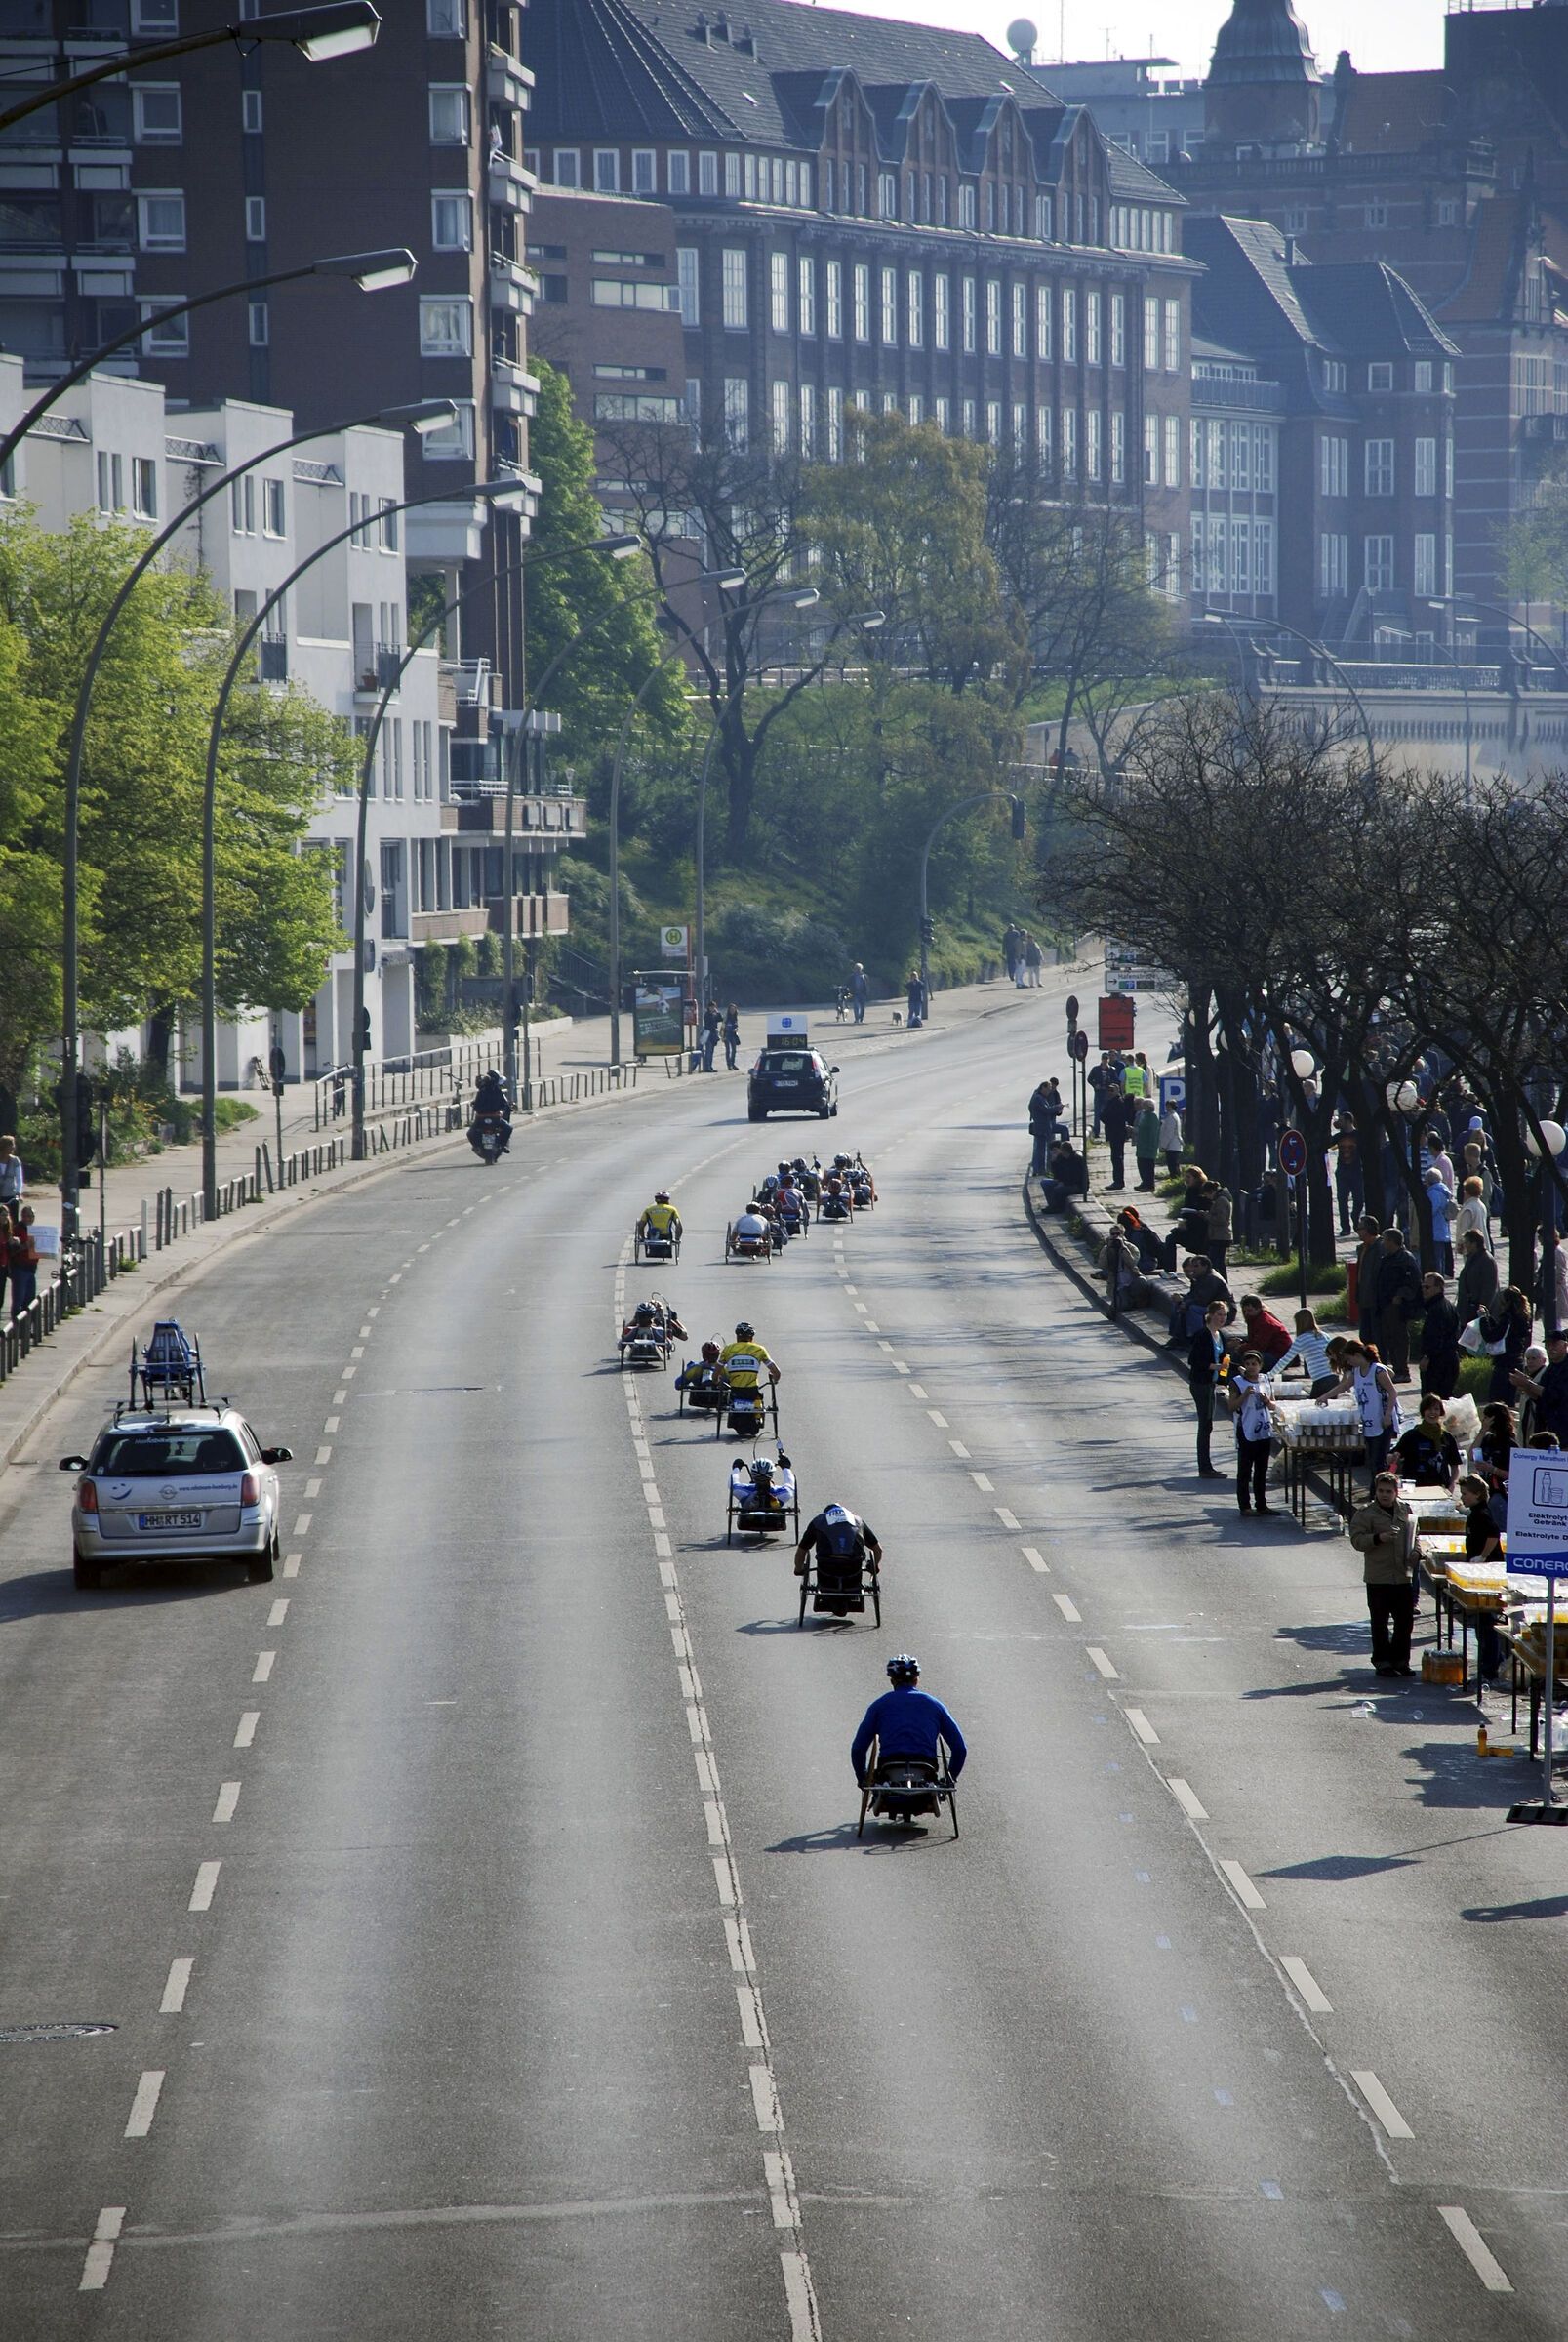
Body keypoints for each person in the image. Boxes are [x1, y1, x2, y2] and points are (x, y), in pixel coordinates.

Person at [851, 1654, 966, 1819]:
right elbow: (960, 1749)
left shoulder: (879, 1705)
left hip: (889, 1766)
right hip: (926, 1767)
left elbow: (858, 1749)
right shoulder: (934, 1704)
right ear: (916, 1681)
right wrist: (950, 1778)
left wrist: (862, 1778)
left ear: (892, 1681)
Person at [1348, 1474, 1417, 1678]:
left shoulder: (1405, 1510)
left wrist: (1417, 1552)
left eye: (1389, 1491)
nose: (1385, 1495)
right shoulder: (1366, 1513)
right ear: (1375, 1491)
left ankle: (1401, 1661)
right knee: (1380, 1622)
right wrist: (1378, 1538)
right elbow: (1357, 1540)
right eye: (1381, 1491)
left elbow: (1415, 1534)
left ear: (1396, 1492)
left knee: (1405, 1621)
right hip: (1378, 1576)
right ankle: (1382, 1661)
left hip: (1402, 1575)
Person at [1458, 1472, 1507, 1678]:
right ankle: (1492, 1662)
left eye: (1466, 1494)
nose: (1462, 1497)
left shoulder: (1482, 1514)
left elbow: (1493, 1534)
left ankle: (1489, 1667)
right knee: (1482, 1622)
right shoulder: (1474, 1512)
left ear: (1478, 1495)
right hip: (1479, 1569)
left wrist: (1483, 1556)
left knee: (1486, 1622)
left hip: (1488, 1572)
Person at [795, 1501, 882, 1615]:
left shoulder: (819, 1521)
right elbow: (878, 1550)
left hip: (826, 1569)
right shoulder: (858, 1520)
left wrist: (798, 1569)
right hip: (853, 1569)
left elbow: (802, 1550)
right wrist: (874, 1566)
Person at [1346, 1339, 1401, 1486]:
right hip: (1368, 1422)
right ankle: (1375, 1493)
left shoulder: (1377, 1370)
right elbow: (1344, 1385)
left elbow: (1392, 1392)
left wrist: (1388, 1414)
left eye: (1349, 1358)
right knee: (1373, 1462)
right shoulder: (1356, 1372)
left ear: (1357, 1355)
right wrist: (1325, 1397)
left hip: (1382, 1421)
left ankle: (1380, 1493)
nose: (1348, 1362)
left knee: (1379, 1462)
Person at [1228, 1349, 1277, 1515]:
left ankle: (1261, 1504)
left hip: (1263, 1429)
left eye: (1254, 1364)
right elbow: (1232, 1406)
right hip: (1246, 1429)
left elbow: (1273, 1405)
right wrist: (1244, 1396)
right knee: (1245, 1469)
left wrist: (1267, 1401)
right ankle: (1245, 1506)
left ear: (1260, 1365)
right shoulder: (1237, 1382)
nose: (1250, 1367)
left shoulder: (1265, 1379)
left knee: (1261, 1469)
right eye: (1247, 1364)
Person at [1374, 1227, 1424, 1381]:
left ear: (1392, 1241)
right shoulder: (1387, 1258)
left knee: (1399, 1338)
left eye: (1385, 1240)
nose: (1383, 1243)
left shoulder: (1405, 1259)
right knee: (1388, 1338)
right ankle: (1395, 1369)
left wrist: (1401, 1295)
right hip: (1385, 1304)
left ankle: (1403, 1371)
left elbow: (1414, 1282)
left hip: (1397, 1307)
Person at [1188, 1298, 1229, 1480]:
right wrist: (1215, 1367)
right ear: (1210, 1315)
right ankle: (1205, 1467)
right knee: (1205, 1425)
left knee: (1207, 1425)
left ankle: (1206, 1466)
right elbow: (1194, 1361)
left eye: (1224, 1315)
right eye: (1218, 1315)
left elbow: (1223, 1360)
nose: (1221, 1318)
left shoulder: (1220, 1335)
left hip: (1211, 1383)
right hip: (1201, 1384)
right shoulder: (1203, 1335)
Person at [1477, 1282, 1532, 1404]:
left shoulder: (1507, 1318)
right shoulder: (1523, 1317)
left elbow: (1491, 1336)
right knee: (1510, 1401)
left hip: (1504, 1364)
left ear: (1507, 1302)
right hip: (1517, 1363)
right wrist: (1489, 1318)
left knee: (1497, 1402)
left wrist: (1482, 1319)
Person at [1513, 1327, 1568, 1447]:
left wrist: (1528, 1384)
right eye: (1548, 1345)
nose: (1551, 1348)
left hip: (1564, 1428)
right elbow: (1540, 1398)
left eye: (1554, 1344)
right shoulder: (1550, 1369)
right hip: (1547, 1426)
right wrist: (1524, 1386)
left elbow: (1555, 1395)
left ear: (1565, 1346)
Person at [1394, 1393, 1461, 1489]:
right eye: (1429, 1409)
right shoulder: (1411, 1435)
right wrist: (1393, 1457)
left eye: (1436, 1409)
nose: (1433, 1412)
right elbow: (1393, 1456)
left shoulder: (1447, 1437)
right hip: (1415, 1488)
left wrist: (1452, 1483)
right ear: (1423, 1412)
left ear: (1441, 1412)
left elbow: (1455, 1465)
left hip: (1440, 1487)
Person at [1267, 1309, 1338, 1397]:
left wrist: (1269, 1376)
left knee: (1315, 1406)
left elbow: (1285, 1360)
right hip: (1333, 1377)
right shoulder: (1324, 1335)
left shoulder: (1301, 1339)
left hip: (1320, 1379)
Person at [1413, 1271, 1460, 1399]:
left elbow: (1436, 1336)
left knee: (1432, 1400)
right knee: (1444, 1399)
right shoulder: (1448, 1305)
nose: (1423, 1290)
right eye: (1422, 1286)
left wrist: (1427, 1356)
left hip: (1438, 1363)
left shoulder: (1437, 1309)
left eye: (1427, 1287)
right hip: (1449, 1359)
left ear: (1438, 1288)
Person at [1456, 1227, 1498, 1332]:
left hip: (1476, 1311)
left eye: (1466, 1243)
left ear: (1474, 1244)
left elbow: (1489, 1288)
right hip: (1468, 1310)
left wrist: (1482, 1310)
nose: (1465, 1246)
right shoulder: (1472, 1258)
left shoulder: (1486, 1260)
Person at [719, 1321, 780, 1392]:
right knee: (758, 1400)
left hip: (734, 1391)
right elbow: (776, 1372)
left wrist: (716, 1381)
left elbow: (716, 1374)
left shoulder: (728, 1349)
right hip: (753, 1391)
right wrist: (774, 1380)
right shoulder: (759, 1349)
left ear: (737, 1337)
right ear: (751, 1337)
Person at [1353, 1215, 1385, 1346]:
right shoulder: (1362, 1248)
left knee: (1376, 1335)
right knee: (1365, 1334)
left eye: (1359, 1228)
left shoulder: (1380, 1247)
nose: (1357, 1231)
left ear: (1368, 1230)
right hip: (1364, 1298)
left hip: (1375, 1299)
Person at [1332, 1111, 1364, 1235]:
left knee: (1359, 1200)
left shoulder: (1358, 1135)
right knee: (1342, 1200)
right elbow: (1328, 1143)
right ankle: (1345, 1227)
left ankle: (1355, 1216)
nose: (1339, 1123)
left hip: (1356, 1172)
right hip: (1342, 1172)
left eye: (1341, 1120)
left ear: (1348, 1121)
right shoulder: (1339, 1136)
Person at [1238, 1293, 1293, 1366]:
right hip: (1272, 1351)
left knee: (1245, 1358)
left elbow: (1259, 1346)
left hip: (1280, 1356)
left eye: (1249, 1310)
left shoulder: (1264, 1323)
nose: (1247, 1313)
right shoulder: (1255, 1318)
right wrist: (1241, 1342)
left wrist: (1240, 1347)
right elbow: (1254, 1339)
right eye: (1245, 1311)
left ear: (1258, 1308)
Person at [1039, 1135, 1089, 1213]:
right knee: (1045, 1183)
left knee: (1057, 1190)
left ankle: (1058, 1208)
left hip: (1077, 1185)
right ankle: (1052, 1205)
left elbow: (1076, 1178)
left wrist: (1064, 1183)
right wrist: (1054, 1162)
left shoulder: (1077, 1160)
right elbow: (1057, 1175)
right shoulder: (1061, 1159)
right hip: (1064, 1181)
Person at [1423, 1166, 1457, 1277]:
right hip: (1442, 1227)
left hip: (1436, 1228)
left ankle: (1438, 1276)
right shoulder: (1443, 1190)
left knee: (1437, 1256)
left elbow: (1431, 1210)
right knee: (1440, 1255)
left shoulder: (1434, 1193)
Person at [7, 1204, 38, 1323]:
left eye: (32, 1216)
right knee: (18, 1301)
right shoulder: (16, 1230)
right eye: (27, 1216)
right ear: (22, 1216)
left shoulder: (35, 1231)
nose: (29, 1219)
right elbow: (12, 1249)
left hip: (31, 1269)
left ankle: (25, 1329)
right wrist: (26, 1246)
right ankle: (15, 1330)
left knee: (29, 1301)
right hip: (20, 1268)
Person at [1101, 1085, 1132, 1191]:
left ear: (1117, 1091)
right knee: (1116, 1158)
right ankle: (1117, 1180)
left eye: (1112, 1090)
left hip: (1117, 1134)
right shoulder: (1112, 1102)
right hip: (1115, 1134)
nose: (1110, 1092)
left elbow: (1108, 1117)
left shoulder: (1118, 1102)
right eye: (1108, 1090)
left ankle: (1118, 1181)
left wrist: (1103, 1116)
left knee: (1117, 1158)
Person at [1453, 1175, 1491, 1255]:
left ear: (1467, 1191)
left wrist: (1460, 1245)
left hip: (1470, 1246)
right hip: (1481, 1245)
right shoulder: (1481, 1205)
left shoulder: (1468, 1209)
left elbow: (1464, 1229)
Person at [1027, 1079, 1058, 1178]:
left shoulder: (1040, 1096)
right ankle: (1039, 1170)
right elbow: (1046, 1110)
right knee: (1040, 1150)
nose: (1049, 1092)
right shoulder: (1038, 1098)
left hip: (1043, 1126)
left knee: (1040, 1149)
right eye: (1048, 1089)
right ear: (1043, 1088)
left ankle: (1041, 1169)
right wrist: (1057, 1107)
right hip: (1041, 1127)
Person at [1204, 1179, 1233, 1276]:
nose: (1207, 1198)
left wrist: (1206, 1215)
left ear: (1211, 1192)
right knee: (1217, 1261)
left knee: (1217, 1262)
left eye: (1206, 1195)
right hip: (1219, 1235)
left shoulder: (1221, 1201)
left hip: (1220, 1236)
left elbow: (1221, 1219)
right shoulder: (1221, 1199)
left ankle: (1221, 1283)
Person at [1134, 1098, 1160, 1192]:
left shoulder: (1152, 1117)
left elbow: (1153, 1133)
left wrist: (1152, 1145)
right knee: (1141, 1165)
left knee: (1148, 1167)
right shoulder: (1145, 1115)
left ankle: (1149, 1184)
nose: (1142, 1107)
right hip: (1142, 1145)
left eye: (1144, 1105)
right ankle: (1144, 1182)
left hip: (1148, 1147)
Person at [1159, 1098, 1184, 1180]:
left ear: (1170, 1106)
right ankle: (1175, 1179)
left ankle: (1175, 1179)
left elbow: (1169, 1133)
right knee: (1173, 1164)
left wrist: (1163, 1145)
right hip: (1173, 1144)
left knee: (1173, 1165)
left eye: (1167, 1106)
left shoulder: (1171, 1117)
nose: (1166, 1107)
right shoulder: (1172, 1116)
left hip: (1172, 1145)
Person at [0, 1134, 22, 1213]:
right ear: (4, 1146)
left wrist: (18, 1193)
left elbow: (19, 1179)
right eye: (10, 1145)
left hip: (10, 1196)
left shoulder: (15, 1161)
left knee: (13, 1219)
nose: (13, 1147)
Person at [701, 999, 720, 1072]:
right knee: (708, 1051)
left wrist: (717, 1012)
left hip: (713, 1034)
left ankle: (710, 1066)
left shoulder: (715, 1014)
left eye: (714, 1007)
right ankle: (707, 1067)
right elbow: (708, 1024)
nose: (713, 1008)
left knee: (712, 1051)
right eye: (711, 1007)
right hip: (708, 1034)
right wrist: (714, 1028)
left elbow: (720, 1019)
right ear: (708, 1007)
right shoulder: (707, 1014)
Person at [723, 1003, 741, 1070]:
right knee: (728, 1050)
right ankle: (729, 1065)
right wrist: (723, 1035)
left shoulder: (735, 1017)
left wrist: (736, 1029)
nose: (732, 1010)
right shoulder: (726, 1017)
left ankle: (732, 1063)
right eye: (731, 1009)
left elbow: (736, 1026)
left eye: (733, 1009)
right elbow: (723, 1026)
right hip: (727, 1035)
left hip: (733, 1035)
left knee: (734, 1050)